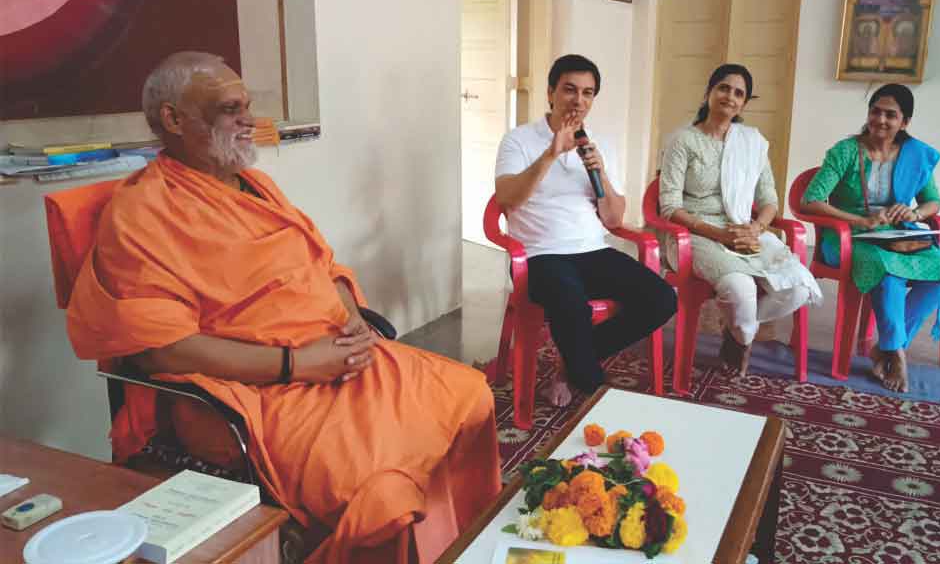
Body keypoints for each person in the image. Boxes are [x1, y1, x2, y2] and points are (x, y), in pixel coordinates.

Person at [65, 51, 501, 564]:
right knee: (382, 489)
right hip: (252, 391)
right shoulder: (140, 214)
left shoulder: (255, 186)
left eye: (248, 105)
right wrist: (297, 363)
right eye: (231, 109)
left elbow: (319, 263)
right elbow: (162, 352)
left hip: (335, 356)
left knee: (471, 395)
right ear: (174, 119)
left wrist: (354, 321)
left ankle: (463, 549)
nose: (250, 120)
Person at [494, 54, 677, 407]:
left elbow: (613, 219)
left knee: (662, 299)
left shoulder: (599, 144)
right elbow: (507, 198)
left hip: (592, 250)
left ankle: (573, 363)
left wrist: (602, 174)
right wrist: (550, 155)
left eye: (588, 93)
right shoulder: (518, 141)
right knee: (570, 302)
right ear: (550, 93)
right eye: (569, 90)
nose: (578, 101)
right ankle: (594, 388)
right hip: (540, 254)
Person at [658, 63, 822, 375]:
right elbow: (669, 207)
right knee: (741, 289)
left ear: (744, 103)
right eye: (723, 88)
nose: (730, 97)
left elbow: (769, 199)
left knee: (798, 287)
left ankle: (736, 332)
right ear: (709, 93)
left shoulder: (751, 143)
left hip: (743, 228)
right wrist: (718, 235)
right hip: (696, 232)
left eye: (739, 93)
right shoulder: (684, 141)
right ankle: (742, 336)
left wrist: (756, 228)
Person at [800, 83, 940, 393]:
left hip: (896, 235)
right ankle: (897, 355)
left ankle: (885, 347)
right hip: (848, 237)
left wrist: (914, 215)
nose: (881, 120)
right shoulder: (846, 151)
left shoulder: (915, 155)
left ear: (905, 122)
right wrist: (860, 219)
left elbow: (932, 202)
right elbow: (812, 198)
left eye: (891, 114)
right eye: (875, 111)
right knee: (886, 272)